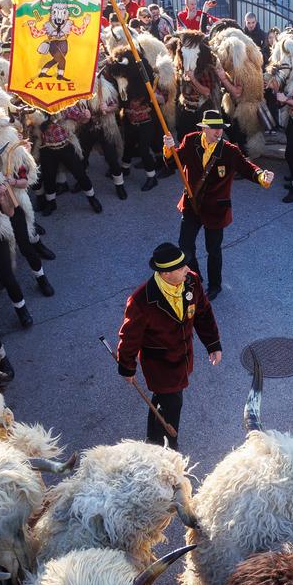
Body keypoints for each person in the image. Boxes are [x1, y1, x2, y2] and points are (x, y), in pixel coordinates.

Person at [115, 242, 221, 449]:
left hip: (183, 358)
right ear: (165, 274)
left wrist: (213, 344)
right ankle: (168, 449)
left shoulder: (192, 282)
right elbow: (129, 337)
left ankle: (153, 441)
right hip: (160, 366)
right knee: (173, 403)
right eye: (182, 268)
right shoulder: (140, 301)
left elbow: (203, 314)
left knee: (164, 401)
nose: (188, 270)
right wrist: (126, 366)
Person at [164, 112, 274, 300]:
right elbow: (174, 162)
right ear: (204, 129)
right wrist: (169, 149)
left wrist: (262, 176)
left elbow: (247, 167)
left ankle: (215, 285)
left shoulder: (230, 151)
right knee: (185, 246)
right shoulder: (191, 141)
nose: (219, 132)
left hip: (216, 209)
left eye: (221, 129)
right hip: (192, 203)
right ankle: (195, 279)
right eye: (215, 128)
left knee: (213, 249)